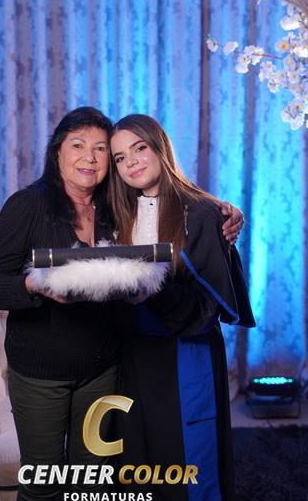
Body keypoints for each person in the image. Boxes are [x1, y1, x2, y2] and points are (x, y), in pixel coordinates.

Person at [0, 106, 244, 501]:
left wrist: (228, 211)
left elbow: (175, 204)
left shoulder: (115, 206)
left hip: (109, 369)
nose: (91, 157)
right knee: (47, 483)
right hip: (47, 371)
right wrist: (35, 285)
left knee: (98, 480)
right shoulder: (30, 205)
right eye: (78, 145)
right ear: (57, 150)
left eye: (102, 150)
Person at [109, 114, 255, 501]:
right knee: (139, 461)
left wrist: (152, 290)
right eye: (120, 158)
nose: (131, 162)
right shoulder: (116, 216)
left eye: (139, 148)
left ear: (160, 148)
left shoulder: (202, 215)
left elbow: (210, 306)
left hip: (185, 355)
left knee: (191, 468)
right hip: (133, 357)